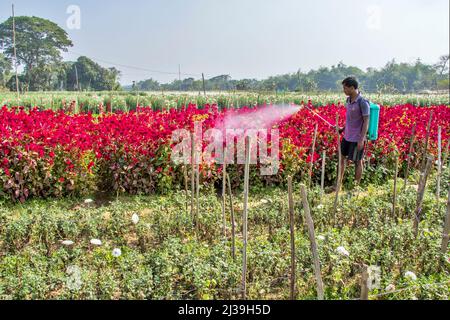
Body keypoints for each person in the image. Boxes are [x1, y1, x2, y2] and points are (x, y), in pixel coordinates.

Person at [338, 77, 370, 188]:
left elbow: (366, 121)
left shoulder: (362, 102)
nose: (344, 90)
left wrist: (362, 139)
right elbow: (350, 119)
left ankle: (355, 187)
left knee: (357, 162)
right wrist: (342, 128)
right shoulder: (348, 100)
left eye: (345, 88)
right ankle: (338, 185)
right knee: (341, 159)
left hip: (357, 138)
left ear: (352, 88)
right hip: (347, 136)